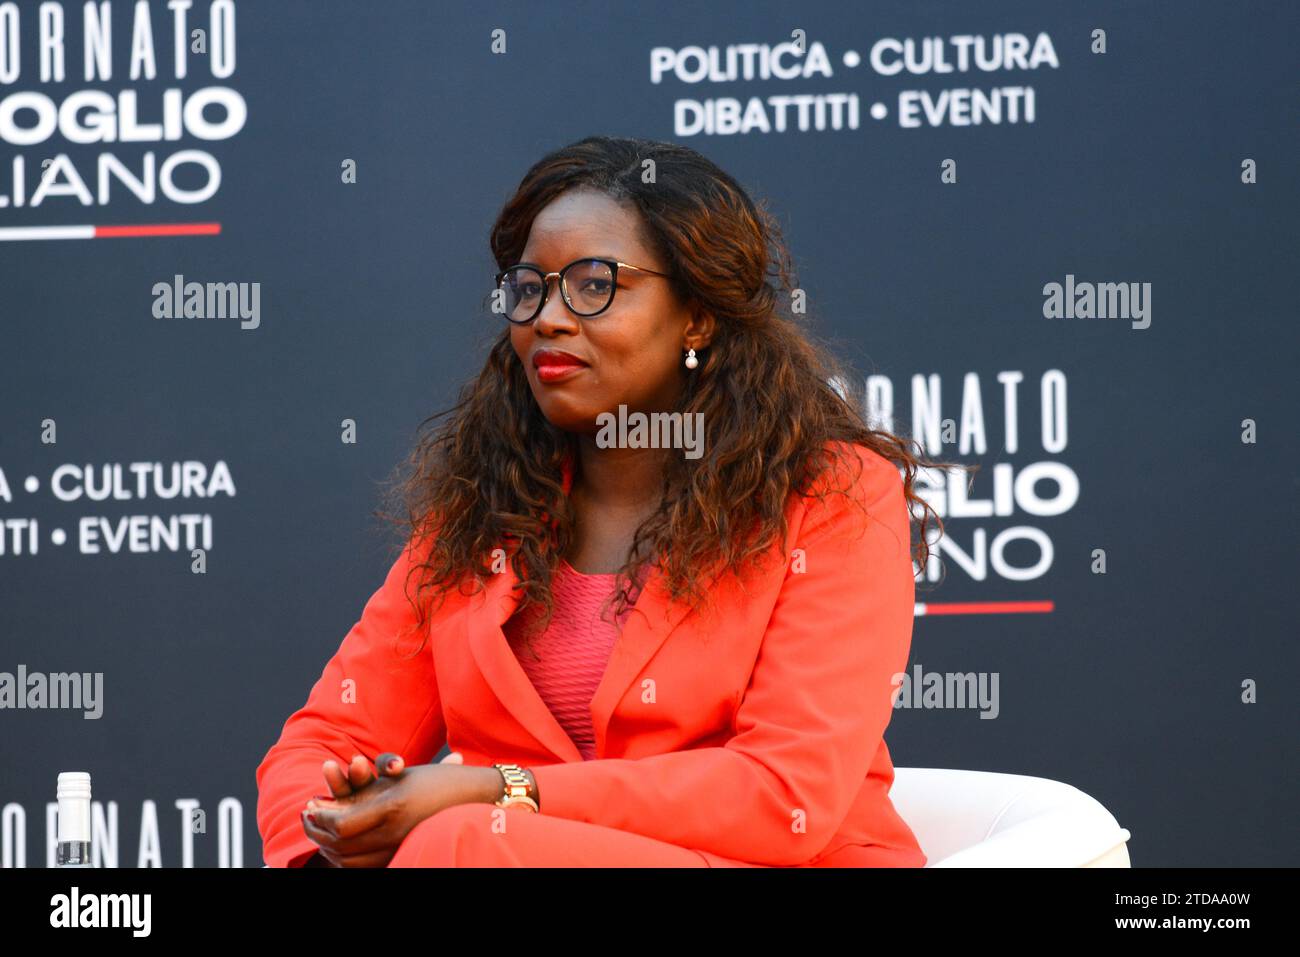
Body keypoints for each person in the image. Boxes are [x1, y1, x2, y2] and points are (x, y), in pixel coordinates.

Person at [255, 135, 947, 868]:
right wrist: (337, 829)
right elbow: (321, 744)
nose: (548, 318)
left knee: (463, 843)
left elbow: (784, 794)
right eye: (530, 288)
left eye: (594, 285)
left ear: (697, 316)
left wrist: (498, 793)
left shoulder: (831, 495)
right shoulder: (481, 514)